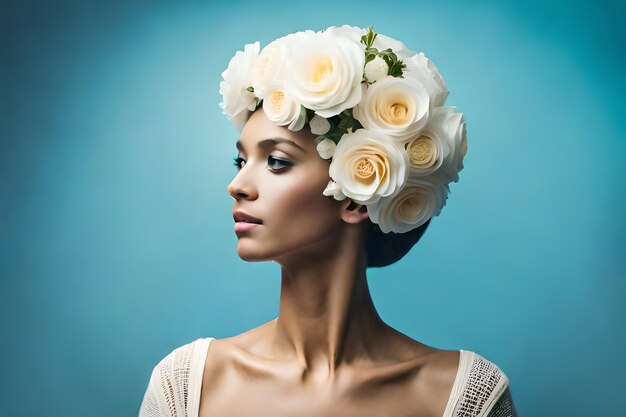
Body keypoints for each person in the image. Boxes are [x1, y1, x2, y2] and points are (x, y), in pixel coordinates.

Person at [139, 25, 518, 417]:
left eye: (277, 162)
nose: (237, 185)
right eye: (241, 160)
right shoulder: (188, 385)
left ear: (356, 197)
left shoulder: (466, 396)